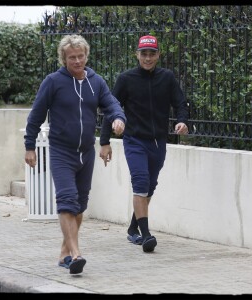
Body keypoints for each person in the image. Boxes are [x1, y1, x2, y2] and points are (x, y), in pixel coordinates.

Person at [24, 34, 126, 274]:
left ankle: (64, 254)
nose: (77, 61)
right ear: (64, 59)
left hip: (86, 152)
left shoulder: (96, 81)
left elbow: (111, 104)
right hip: (61, 151)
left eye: (81, 56)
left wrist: (118, 118)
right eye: (72, 58)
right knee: (67, 201)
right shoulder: (53, 82)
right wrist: (29, 146)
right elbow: (36, 116)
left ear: (86, 56)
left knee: (79, 205)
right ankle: (76, 254)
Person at [99, 35, 189, 253]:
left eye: (152, 53)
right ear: (137, 55)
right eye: (144, 54)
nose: (148, 58)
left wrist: (182, 121)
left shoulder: (167, 78)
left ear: (158, 55)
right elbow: (111, 109)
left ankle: (133, 228)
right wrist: (104, 142)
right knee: (140, 182)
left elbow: (180, 103)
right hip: (134, 140)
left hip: (158, 143)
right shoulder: (126, 79)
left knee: (150, 187)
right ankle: (146, 235)